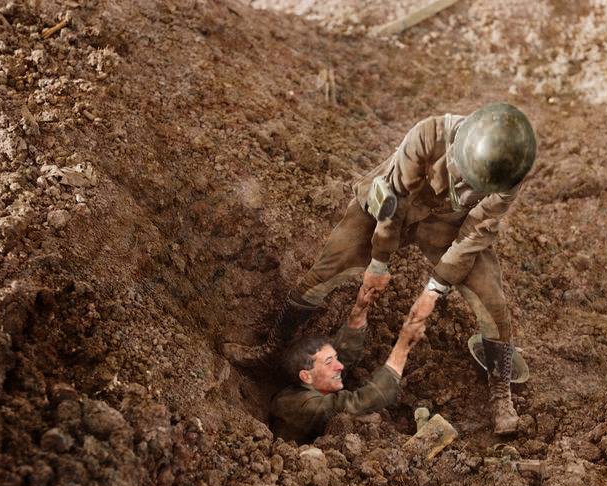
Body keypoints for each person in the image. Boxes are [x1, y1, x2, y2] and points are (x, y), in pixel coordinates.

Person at [226, 102, 536, 435]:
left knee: (493, 305)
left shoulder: (510, 170)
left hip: (449, 226)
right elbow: (394, 203)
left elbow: (476, 230)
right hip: (391, 208)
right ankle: (272, 348)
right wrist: (378, 262)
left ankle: (501, 393)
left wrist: (434, 289)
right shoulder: (429, 135)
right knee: (326, 270)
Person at [271, 285, 425, 444]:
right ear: (306, 376)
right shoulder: (305, 406)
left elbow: (344, 354)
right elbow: (360, 402)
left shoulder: (308, 385)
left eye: (335, 358)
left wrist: (359, 310)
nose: (340, 366)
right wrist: (403, 345)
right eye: (329, 362)